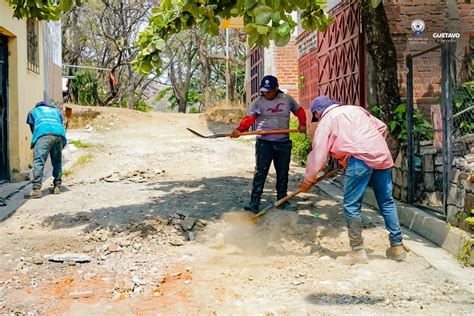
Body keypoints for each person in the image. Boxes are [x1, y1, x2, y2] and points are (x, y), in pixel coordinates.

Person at [299, 95, 406, 264]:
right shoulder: (357, 110)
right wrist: (366, 147)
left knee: (351, 205)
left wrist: (308, 179)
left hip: (360, 160)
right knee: (386, 201)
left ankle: (357, 251)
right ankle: (397, 246)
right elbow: (382, 128)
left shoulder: (327, 120)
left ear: (318, 113)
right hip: (381, 154)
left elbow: (319, 154)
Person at [231, 75, 307, 213]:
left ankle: (282, 200)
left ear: (276, 88)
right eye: (264, 91)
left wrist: (302, 124)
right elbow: (249, 119)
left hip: (283, 143)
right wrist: (239, 130)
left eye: (269, 91)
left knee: (282, 172)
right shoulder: (258, 102)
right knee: (260, 172)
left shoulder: (287, 99)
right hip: (264, 143)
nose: (267, 93)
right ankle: (254, 202)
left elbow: (300, 111)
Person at [24, 101, 67, 199]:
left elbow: (33, 127)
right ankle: (57, 186)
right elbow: (61, 123)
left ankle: (36, 189)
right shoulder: (56, 111)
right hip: (59, 135)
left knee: (39, 161)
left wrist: (38, 139)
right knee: (57, 161)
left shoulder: (33, 111)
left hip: (43, 134)